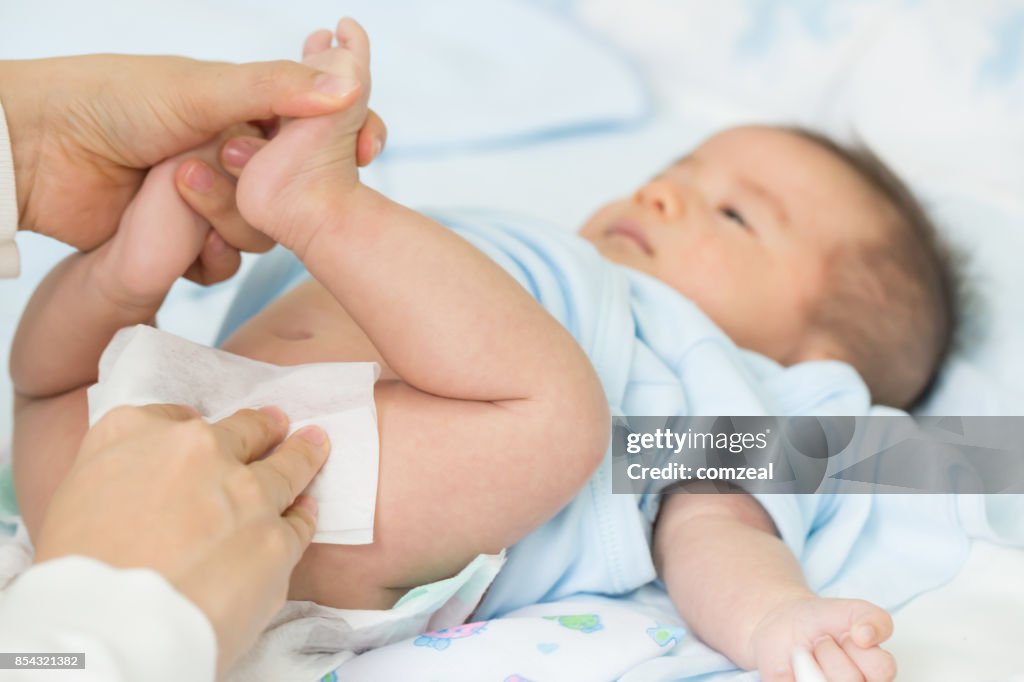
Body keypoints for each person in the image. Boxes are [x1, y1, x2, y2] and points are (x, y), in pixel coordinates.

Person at [13, 19, 960, 682]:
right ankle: (124, 276)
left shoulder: (705, 388)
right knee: (49, 384)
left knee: (565, 423)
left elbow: (718, 528)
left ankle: (310, 212)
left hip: (320, 517)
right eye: (672, 174)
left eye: (735, 213)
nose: (664, 196)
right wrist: (131, 292)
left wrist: (773, 621)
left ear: (814, 353)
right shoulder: (533, 264)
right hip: (113, 480)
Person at [0, 47, 387, 681]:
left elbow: (49, 391)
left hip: (91, 519)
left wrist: (30, 151)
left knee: (52, 392)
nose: (617, 202)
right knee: (558, 423)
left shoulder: (611, 309)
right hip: (290, 492)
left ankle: (122, 278)